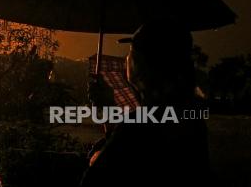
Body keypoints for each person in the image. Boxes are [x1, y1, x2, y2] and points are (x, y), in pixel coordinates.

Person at [80, 19, 210, 186]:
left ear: (142, 64)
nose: (126, 58)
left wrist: (97, 157)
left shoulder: (138, 125)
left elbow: (94, 182)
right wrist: (108, 109)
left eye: (131, 52)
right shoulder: (190, 116)